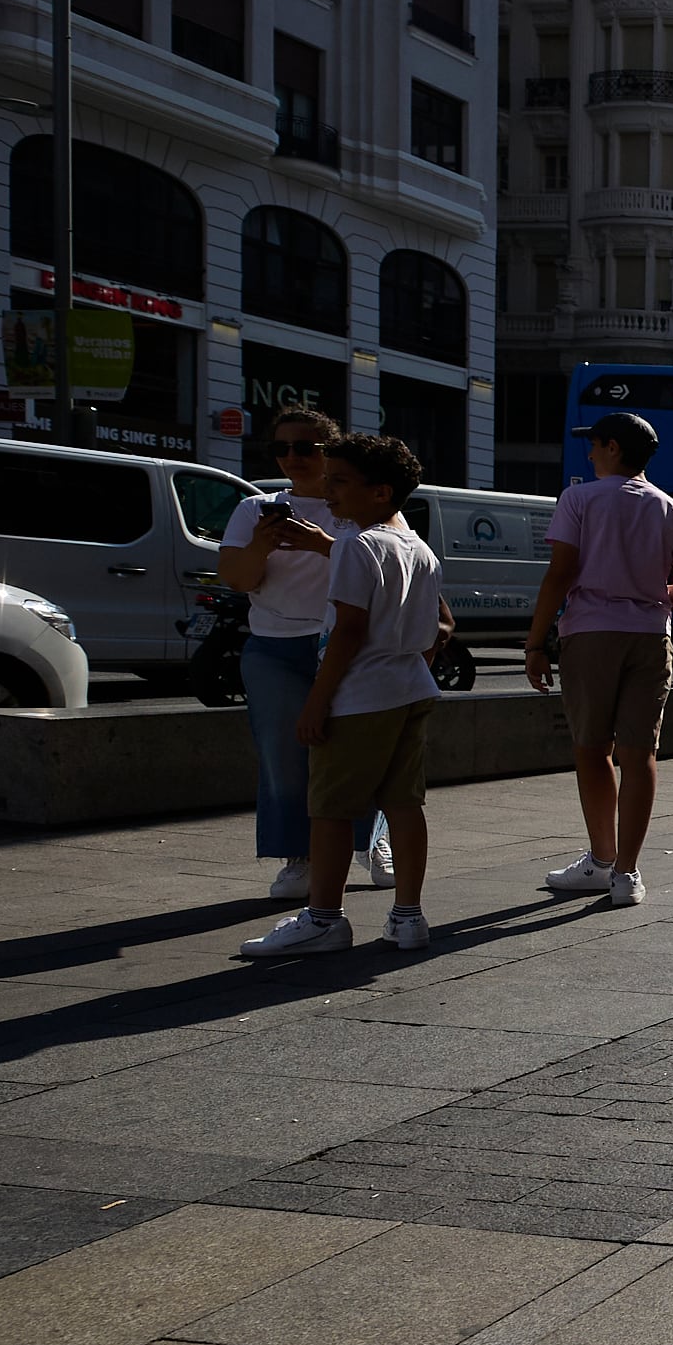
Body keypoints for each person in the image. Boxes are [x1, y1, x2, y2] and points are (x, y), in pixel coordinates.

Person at [239, 435, 451, 957]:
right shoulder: (419, 548)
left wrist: (318, 700)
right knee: (404, 804)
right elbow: (433, 631)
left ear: (379, 492)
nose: (327, 492)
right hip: (408, 689)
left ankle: (324, 918)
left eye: (339, 481)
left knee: (330, 809)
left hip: (360, 695)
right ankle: (408, 916)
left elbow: (349, 630)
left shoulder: (358, 546)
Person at [524, 411, 673, 908]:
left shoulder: (578, 498)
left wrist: (535, 643)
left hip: (590, 633)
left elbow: (559, 574)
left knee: (591, 747)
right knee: (639, 752)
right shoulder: (672, 508)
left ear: (612, 448)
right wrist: (647, 591)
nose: (589, 452)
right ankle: (627, 874)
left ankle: (600, 859)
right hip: (650, 635)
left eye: (595, 444)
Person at [215, 404, 389, 899]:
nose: (292, 457)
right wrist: (260, 547)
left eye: (305, 447)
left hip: (346, 644)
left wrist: (322, 544)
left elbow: (378, 571)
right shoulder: (254, 508)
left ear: (328, 450)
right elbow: (238, 579)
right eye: (281, 448)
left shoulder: (353, 511)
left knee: (356, 750)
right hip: (273, 646)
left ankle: (371, 839)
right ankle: (299, 856)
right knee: (283, 755)